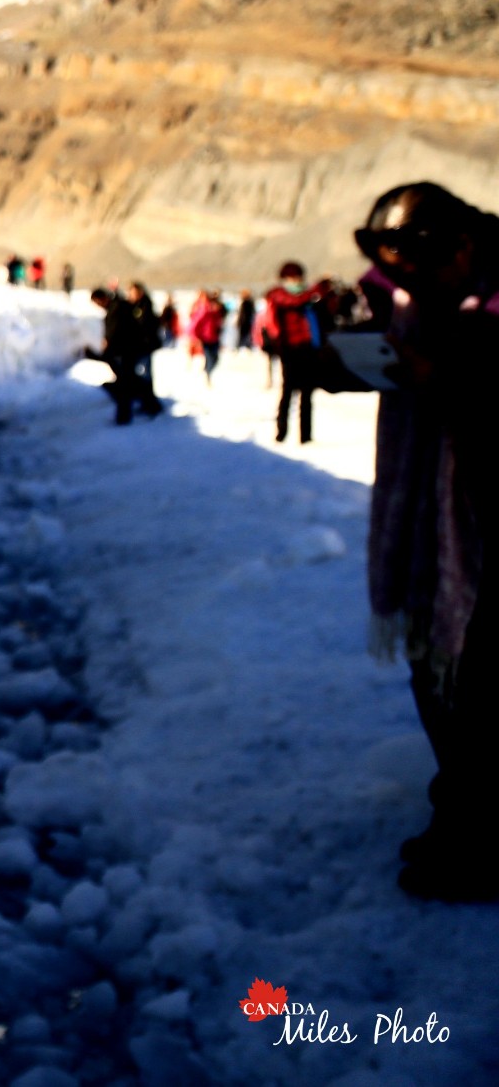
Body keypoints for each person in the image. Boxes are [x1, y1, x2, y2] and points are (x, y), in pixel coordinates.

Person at [355, 183, 499, 901]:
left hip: (482, 522)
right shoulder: (419, 299)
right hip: (430, 529)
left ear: (463, 248)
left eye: (417, 263)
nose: (404, 279)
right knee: (436, 673)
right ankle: (462, 819)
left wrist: (443, 378)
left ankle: (482, 844)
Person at [262, 261, 334, 444]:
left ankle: (306, 436)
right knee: (287, 392)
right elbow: (293, 301)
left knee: (307, 394)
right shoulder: (278, 295)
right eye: (293, 277)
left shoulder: (307, 297)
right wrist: (316, 289)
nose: (296, 280)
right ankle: (281, 433)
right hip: (289, 350)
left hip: (308, 349)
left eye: (299, 277)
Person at [88, 286, 163, 424]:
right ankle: (150, 406)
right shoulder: (117, 306)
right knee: (132, 382)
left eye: (97, 302)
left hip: (127, 351)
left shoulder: (117, 309)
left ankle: (127, 416)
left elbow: (115, 332)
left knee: (128, 384)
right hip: (128, 350)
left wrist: (108, 346)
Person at [187, 288, 226, 382]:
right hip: (205, 338)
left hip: (214, 337)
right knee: (208, 357)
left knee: (215, 358)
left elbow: (220, 321)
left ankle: (206, 370)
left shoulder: (216, 309)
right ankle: (207, 374)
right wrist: (195, 336)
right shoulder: (203, 309)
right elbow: (195, 323)